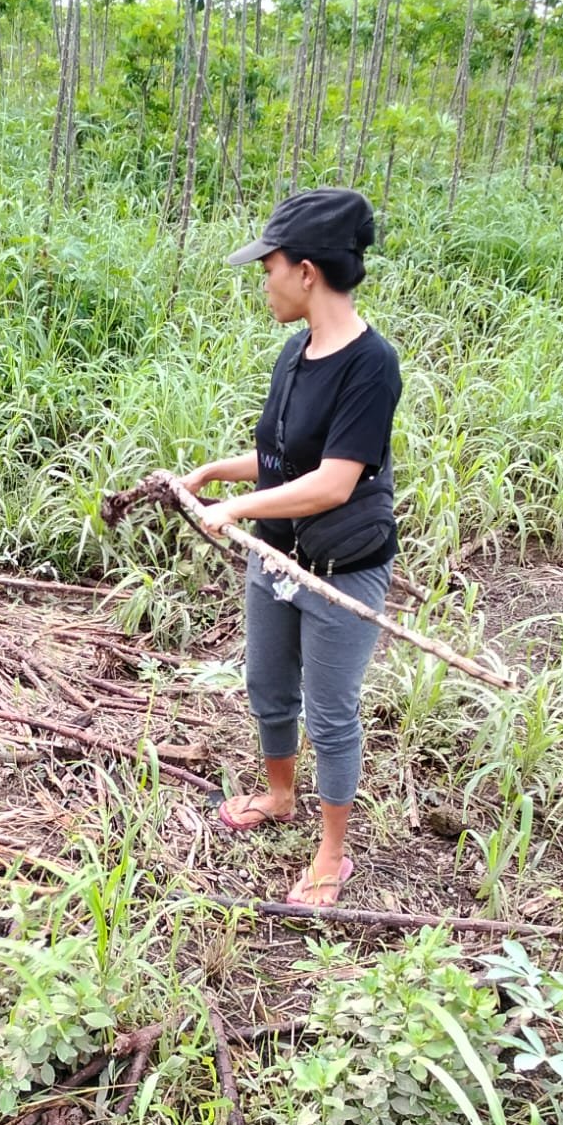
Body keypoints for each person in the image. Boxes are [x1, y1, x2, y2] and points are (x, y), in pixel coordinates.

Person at [182, 187, 402, 908]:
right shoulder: (296, 350)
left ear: (306, 271)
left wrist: (236, 508)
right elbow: (283, 460)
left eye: (268, 267)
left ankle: (333, 852)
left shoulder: (372, 365)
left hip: (342, 567)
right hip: (276, 556)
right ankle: (280, 797)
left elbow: (333, 482)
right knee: (267, 684)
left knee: (330, 710)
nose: (264, 282)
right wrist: (217, 474)